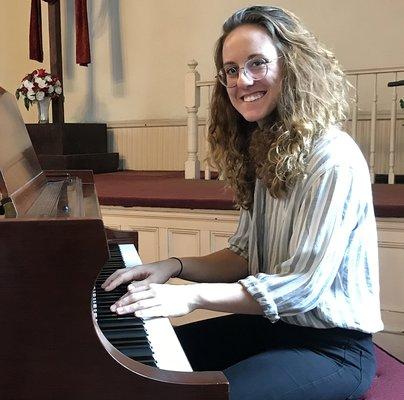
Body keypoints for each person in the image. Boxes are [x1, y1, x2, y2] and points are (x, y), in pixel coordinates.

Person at [102, 6, 383, 400]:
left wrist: (190, 296)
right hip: (275, 327)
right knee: (149, 367)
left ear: (292, 66)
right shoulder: (265, 147)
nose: (242, 80)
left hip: (333, 348)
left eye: (257, 63)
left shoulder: (332, 157)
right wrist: (174, 266)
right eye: (231, 70)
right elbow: (245, 256)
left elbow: (302, 287)